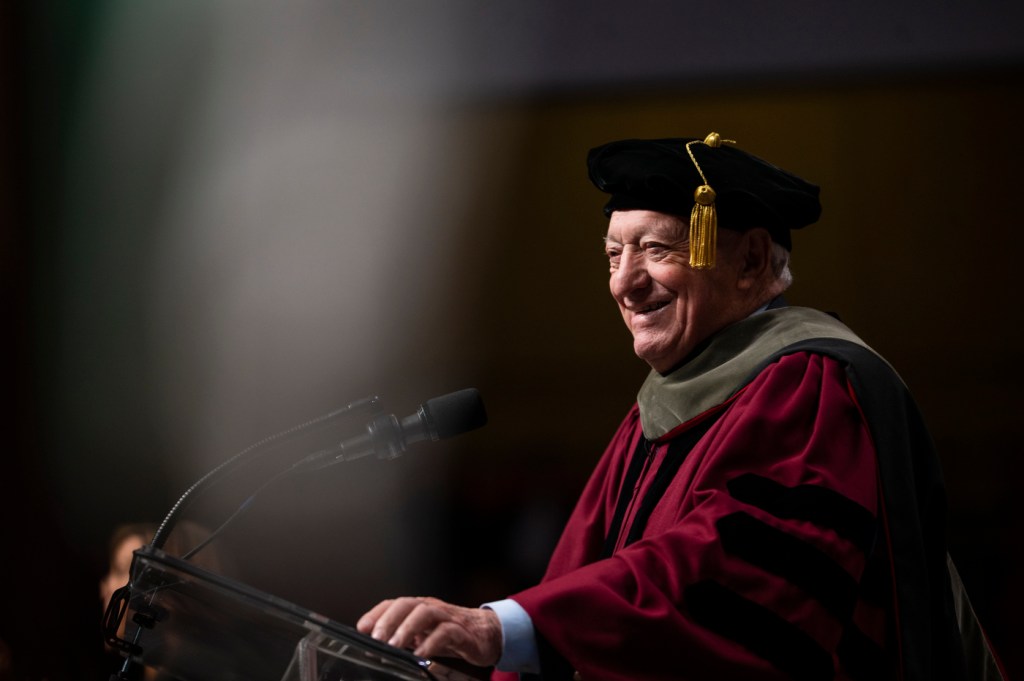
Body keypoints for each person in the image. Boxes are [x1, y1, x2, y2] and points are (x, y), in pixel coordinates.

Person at [357, 133, 1004, 680]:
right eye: (614, 254)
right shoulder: (661, 406)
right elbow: (582, 575)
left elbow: (737, 574)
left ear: (751, 259)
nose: (625, 282)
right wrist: (495, 659)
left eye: (656, 249)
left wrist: (500, 627)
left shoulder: (810, 384)